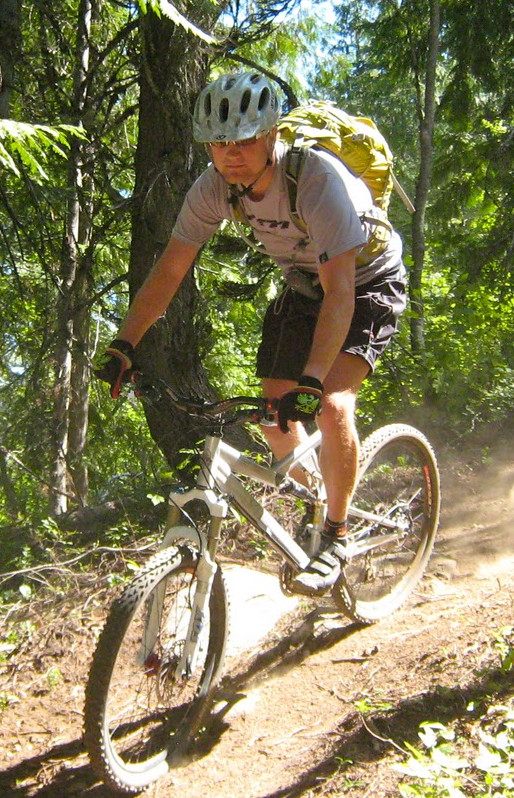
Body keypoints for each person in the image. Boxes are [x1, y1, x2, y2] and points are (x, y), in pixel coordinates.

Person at [96, 69, 408, 594]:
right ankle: (322, 496)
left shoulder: (317, 181)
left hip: (366, 281)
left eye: (242, 139)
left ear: (271, 135)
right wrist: (124, 343)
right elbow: (170, 270)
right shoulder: (215, 189)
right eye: (217, 142)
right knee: (273, 408)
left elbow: (341, 294)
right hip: (306, 283)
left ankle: (336, 533)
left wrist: (313, 378)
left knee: (330, 403)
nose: (229, 154)